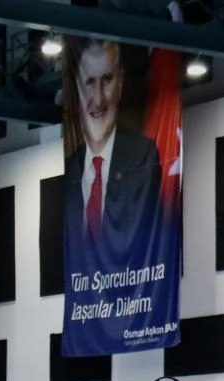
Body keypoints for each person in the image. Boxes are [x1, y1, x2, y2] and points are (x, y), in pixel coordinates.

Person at [62, 37, 161, 265]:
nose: (98, 99)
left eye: (106, 80)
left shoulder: (143, 157)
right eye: (89, 83)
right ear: (77, 88)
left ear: (120, 82)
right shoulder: (71, 169)